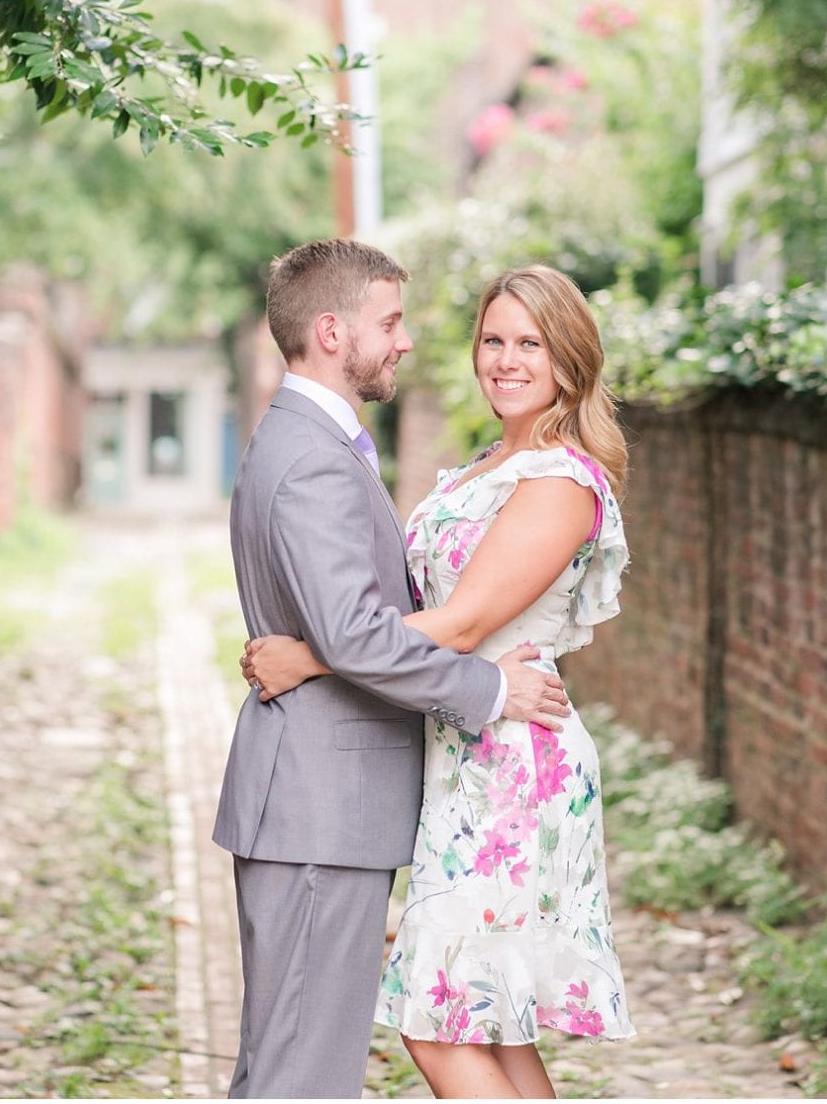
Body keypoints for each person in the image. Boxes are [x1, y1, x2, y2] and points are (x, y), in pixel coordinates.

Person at [242, 264, 637, 1097]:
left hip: (512, 762)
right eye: (493, 340)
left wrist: (312, 655)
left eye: (529, 343)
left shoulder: (559, 481)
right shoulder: (489, 463)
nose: (505, 359)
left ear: (568, 358)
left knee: (438, 1021)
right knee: (488, 1024)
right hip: (462, 753)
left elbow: (459, 626)